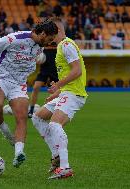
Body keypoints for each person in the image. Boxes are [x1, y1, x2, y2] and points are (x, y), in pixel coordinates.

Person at [0, 19, 58, 168]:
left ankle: (19, 153)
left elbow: (31, 60)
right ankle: (5, 130)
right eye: (50, 39)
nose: (50, 43)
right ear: (43, 33)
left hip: (18, 84)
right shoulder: (15, 38)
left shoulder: (39, 47)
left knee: (22, 117)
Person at [31, 17, 87, 179]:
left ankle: (65, 167)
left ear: (55, 29)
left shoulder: (66, 45)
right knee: (38, 117)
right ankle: (56, 155)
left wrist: (58, 85)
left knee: (55, 125)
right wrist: (57, 92)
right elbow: (71, 73)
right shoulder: (63, 46)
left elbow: (77, 71)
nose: (46, 34)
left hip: (74, 94)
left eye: (48, 30)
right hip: (66, 92)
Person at [28, 46, 58, 118]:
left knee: (55, 91)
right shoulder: (44, 40)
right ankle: (31, 110)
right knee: (36, 87)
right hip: (44, 69)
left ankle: (54, 111)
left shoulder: (58, 40)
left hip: (55, 68)